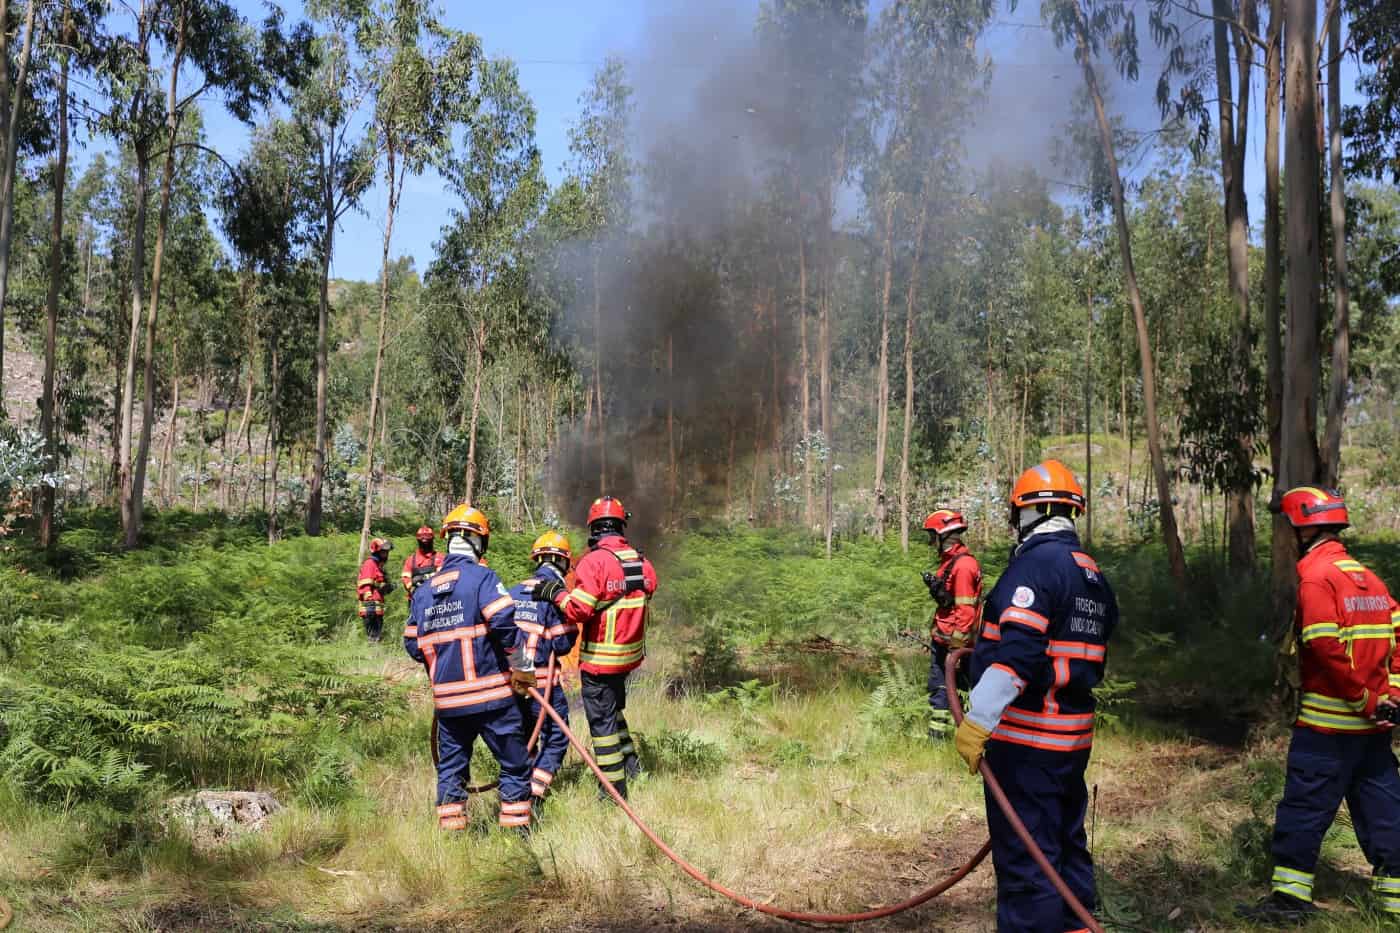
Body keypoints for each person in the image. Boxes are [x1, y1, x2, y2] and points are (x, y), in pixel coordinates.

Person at [953, 459, 1118, 932]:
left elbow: (1019, 658)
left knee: (1029, 868)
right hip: (1071, 744)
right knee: (1065, 851)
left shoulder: (1035, 567)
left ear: (1030, 512)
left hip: (1027, 746)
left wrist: (977, 722)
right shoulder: (1091, 574)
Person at [1238, 487, 1400, 923]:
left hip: (1327, 731)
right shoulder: (1372, 580)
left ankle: (1289, 903)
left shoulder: (1316, 579)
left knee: (1303, 812)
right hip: (1374, 733)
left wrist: (1364, 700)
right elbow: (1397, 638)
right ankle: (1394, 905)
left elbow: (1324, 648)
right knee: (1385, 815)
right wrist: (1392, 698)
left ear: (1299, 531)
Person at [404, 504, 536, 834]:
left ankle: (453, 840)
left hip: (448, 704)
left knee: (451, 769)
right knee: (515, 764)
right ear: (479, 541)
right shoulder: (482, 578)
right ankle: (515, 838)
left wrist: (442, 660)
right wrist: (522, 667)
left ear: (447, 540)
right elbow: (505, 622)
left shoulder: (422, 591)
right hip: (493, 700)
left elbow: (411, 644)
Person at [534, 495, 657, 800]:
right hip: (628, 659)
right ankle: (631, 765)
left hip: (601, 661)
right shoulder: (640, 560)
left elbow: (579, 610)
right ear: (620, 526)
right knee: (613, 711)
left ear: (594, 527)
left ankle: (613, 791)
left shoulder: (593, 562)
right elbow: (649, 588)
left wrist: (555, 594)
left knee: (601, 728)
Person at [510, 531, 580, 814]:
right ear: (563, 563)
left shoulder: (514, 590)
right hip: (544, 684)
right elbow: (562, 644)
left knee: (525, 737)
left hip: (516, 679)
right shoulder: (555, 594)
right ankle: (536, 794)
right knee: (556, 736)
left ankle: (520, 788)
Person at [921, 509, 983, 738]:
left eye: (932, 536)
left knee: (951, 689)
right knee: (939, 688)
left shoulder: (963, 566)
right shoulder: (951, 562)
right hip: (944, 640)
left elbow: (965, 611)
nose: (930, 541)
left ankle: (945, 738)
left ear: (943, 536)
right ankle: (940, 737)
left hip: (955, 645)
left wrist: (956, 649)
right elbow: (949, 605)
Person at [357, 537, 396, 642]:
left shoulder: (378, 566)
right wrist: (369, 601)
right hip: (370, 606)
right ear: (376, 551)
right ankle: (372, 653)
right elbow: (365, 585)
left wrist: (388, 587)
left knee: (377, 632)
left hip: (377, 605)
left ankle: (375, 651)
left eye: (387, 552)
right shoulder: (370, 564)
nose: (386, 554)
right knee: (372, 634)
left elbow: (378, 585)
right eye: (383, 552)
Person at [401, 525, 444, 601]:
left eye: (428, 540)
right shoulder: (411, 560)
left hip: (435, 599)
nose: (425, 543)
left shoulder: (440, 558)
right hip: (416, 599)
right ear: (418, 540)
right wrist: (413, 585)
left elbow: (443, 576)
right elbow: (405, 580)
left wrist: (424, 578)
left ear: (432, 540)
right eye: (422, 540)